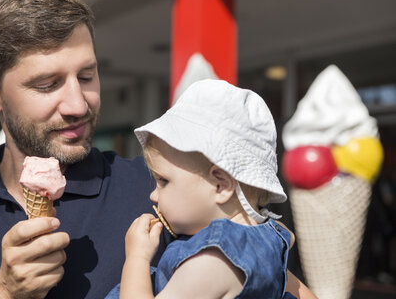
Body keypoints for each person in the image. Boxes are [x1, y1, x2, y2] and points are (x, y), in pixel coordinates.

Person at [0, 0, 314, 299]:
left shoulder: (161, 191)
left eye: (86, 76)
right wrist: (5, 291)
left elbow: (282, 284)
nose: (78, 105)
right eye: (47, 85)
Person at [106, 79, 317, 298]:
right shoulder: (266, 243)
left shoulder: (211, 263)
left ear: (220, 185)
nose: (153, 194)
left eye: (163, 181)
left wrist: (136, 259)